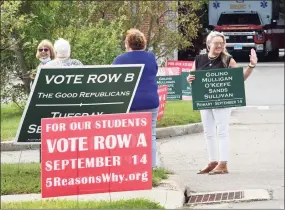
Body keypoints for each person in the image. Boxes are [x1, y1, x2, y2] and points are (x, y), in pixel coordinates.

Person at [187, 31, 258, 175]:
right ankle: (213, 161)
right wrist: (189, 79)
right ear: (209, 44)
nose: (219, 46)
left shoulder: (227, 59)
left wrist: (251, 65)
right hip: (205, 100)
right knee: (208, 131)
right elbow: (192, 76)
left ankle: (223, 163)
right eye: (216, 43)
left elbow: (240, 78)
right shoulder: (199, 59)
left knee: (222, 130)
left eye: (222, 43)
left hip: (223, 100)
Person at [112, 28, 159, 168]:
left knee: (129, 136)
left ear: (127, 44)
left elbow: (113, 80)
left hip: (129, 102)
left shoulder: (120, 60)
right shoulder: (150, 57)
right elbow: (154, 71)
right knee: (150, 135)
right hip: (150, 100)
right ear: (143, 43)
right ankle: (152, 167)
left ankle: (131, 167)